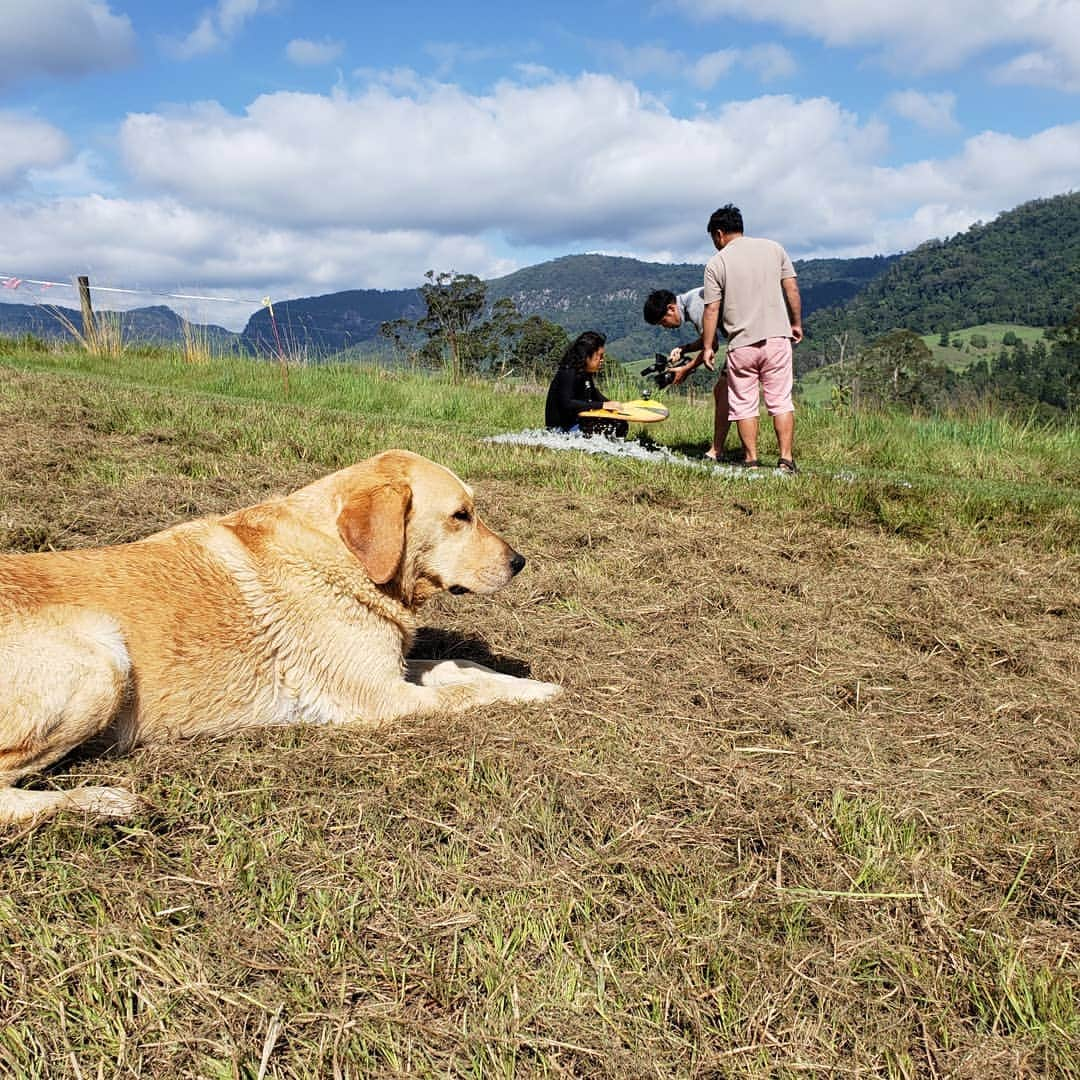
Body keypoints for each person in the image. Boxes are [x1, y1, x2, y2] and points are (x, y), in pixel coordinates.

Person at [671, 205, 802, 473]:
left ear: (719, 234)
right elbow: (791, 288)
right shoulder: (774, 248)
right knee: (780, 401)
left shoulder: (716, 263)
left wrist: (707, 347)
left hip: (741, 344)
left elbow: (711, 309)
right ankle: (786, 460)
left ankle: (751, 461)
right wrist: (796, 323)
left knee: (744, 406)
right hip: (777, 338)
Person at [642, 286, 735, 460]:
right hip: (749, 336)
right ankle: (720, 449)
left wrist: (686, 369)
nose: (665, 327)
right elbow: (707, 339)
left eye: (663, 321)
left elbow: (711, 344)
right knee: (723, 391)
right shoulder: (691, 301)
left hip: (745, 340)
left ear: (671, 308)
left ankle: (719, 451)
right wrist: (685, 349)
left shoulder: (695, 306)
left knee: (724, 392)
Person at [544, 331, 628, 438]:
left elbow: (594, 394)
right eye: (600, 356)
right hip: (560, 429)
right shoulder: (568, 372)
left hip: (576, 422)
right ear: (587, 356)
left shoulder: (585, 372)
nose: (602, 360)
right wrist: (603, 405)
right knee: (608, 429)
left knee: (620, 424)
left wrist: (612, 404)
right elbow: (567, 404)